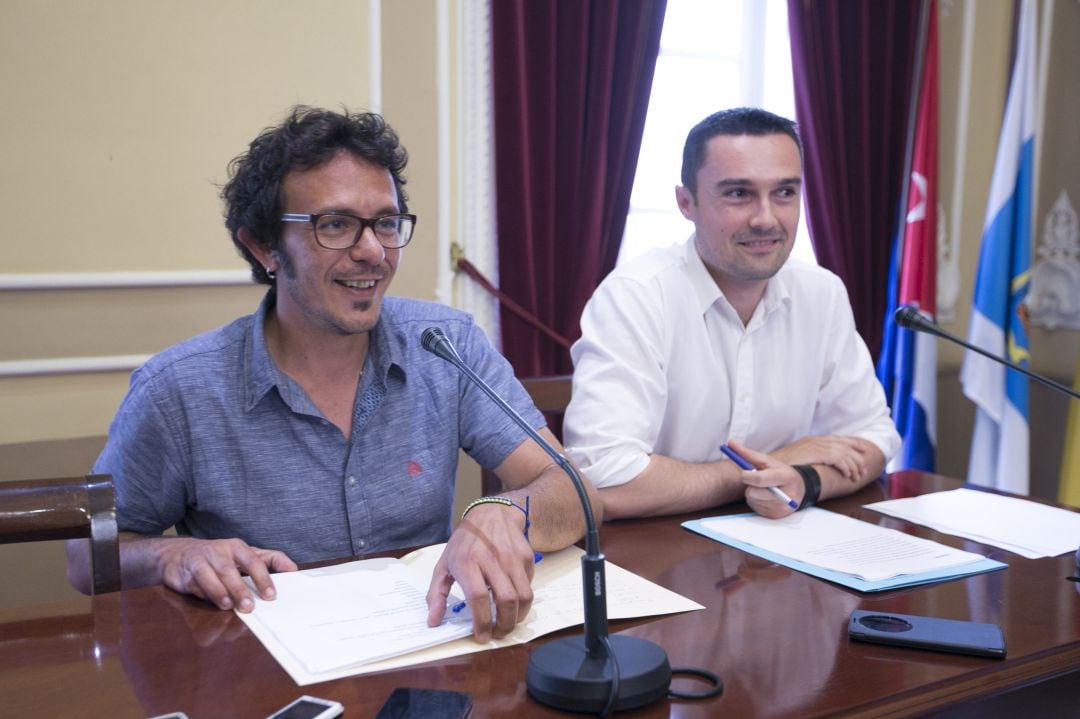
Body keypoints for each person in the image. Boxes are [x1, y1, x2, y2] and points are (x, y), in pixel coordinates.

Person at [67, 106, 597, 642]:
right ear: (264, 246)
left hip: (434, 654)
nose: (372, 252)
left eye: (386, 224)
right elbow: (85, 560)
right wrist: (170, 555)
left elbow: (576, 493)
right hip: (262, 677)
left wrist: (505, 512)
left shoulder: (446, 344)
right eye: (336, 225)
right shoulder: (178, 389)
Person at [563, 107, 900, 520]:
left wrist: (804, 480)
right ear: (686, 202)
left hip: (783, 549)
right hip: (655, 552)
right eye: (739, 194)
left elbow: (874, 437)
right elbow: (601, 480)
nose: (766, 218)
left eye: (785, 192)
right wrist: (775, 463)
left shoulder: (821, 292)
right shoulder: (636, 296)